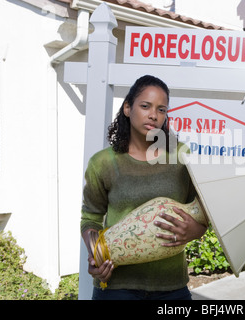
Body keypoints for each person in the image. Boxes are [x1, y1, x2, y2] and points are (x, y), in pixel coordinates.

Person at [80, 75, 207, 300]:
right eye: (145, 106)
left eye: (161, 110)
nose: (153, 115)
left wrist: (196, 231)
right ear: (128, 108)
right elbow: (90, 218)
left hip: (172, 288)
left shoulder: (180, 156)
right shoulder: (102, 162)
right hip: (116, 286)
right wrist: (97, 256)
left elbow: (205, 208)